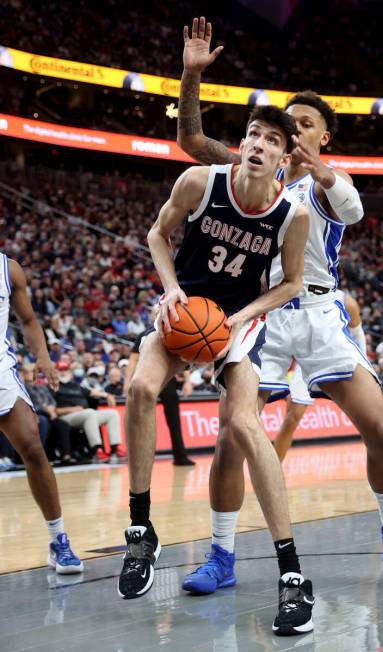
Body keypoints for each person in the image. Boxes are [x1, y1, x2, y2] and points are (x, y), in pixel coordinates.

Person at [177, 16, 383, 599]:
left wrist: (323, 172)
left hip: (320, 316)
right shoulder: (255, 169)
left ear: (324, 139)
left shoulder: (325, 182)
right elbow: (191, 143)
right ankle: (221, 554)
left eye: (304, 126)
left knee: (379, 428)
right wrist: (191, 76)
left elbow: (352, 211)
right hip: (263, 316)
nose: (289, 133)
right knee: (227, 440)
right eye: (284, 124)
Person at [119, 101, 314, 637]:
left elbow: (291, 282)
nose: (259, 144)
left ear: (283, 157)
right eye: (253, 135)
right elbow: (158, 235)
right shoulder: (200, 182)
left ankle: (292, 576)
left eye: (272, 140)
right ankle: (141, 530)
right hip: (185, 312)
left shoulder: (290, 214)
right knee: (139, 389)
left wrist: (242, 317)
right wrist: (172, 288)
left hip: (236, 323)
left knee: (248, 426)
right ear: (242, 142)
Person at [0, 253, 83, 573]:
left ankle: (58, 539)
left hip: (2, 372)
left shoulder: (9, 270)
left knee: (32, 445)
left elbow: (29, 320)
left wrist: (44, 357)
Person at [272, 290, 367, 461]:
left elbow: (357, 335)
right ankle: (273, 473)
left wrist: (364, 366)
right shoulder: (292, 294)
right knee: (292, 417)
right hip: (307, 358)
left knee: (367, 417)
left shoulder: (346, 302)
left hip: (337, 357)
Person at [124, 328, 195, 466]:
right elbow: (133, 360)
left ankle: (180, 456)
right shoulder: (143, 334)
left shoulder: (172, 330)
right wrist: (127, 381)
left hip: (168, 378)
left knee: (174, 419)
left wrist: (187, 381)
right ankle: (137, 457)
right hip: (146, 378)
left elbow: (183, 357)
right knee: (140, 417)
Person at [54, 362, 127, 463]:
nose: (63, 373)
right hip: (66, 416)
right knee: (90, 413)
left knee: (112, 414)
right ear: (55, 372)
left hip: (84, 414)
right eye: (60, 370)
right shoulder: (53, 386)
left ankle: (115, 448)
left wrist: (107, 395)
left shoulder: (75, 385)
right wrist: (73, 409)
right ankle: (97, 449)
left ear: (70, 372)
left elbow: (92, 392)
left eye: (65, 370)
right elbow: (54, 410)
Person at [20, 363, 76, 466]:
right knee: (44, 422)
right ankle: (40, 456)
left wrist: (51, 410)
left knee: (63, 425)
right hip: (36, 414)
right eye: (29, 371)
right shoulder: (22, 388)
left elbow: (52, 402)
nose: (32, 374)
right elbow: (29, 405)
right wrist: (46, 409)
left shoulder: (42, 387)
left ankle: (66, 455)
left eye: (34, 371)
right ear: (23, 374)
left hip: (50, 414)